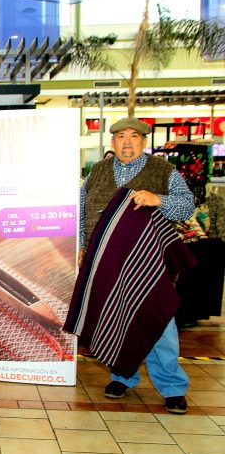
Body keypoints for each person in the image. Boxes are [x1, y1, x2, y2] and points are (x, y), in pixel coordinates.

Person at [80, 117, 195, 414]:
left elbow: (186, 206)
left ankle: (171, 386)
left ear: (144, 141)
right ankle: (122, 377)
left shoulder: (163, 171)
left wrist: (159, 199)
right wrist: (82, 245)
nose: (127, 142)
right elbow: (82, 211)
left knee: (159, 322)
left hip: (149, 265)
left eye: (134, 136)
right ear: (113, 142)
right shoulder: (98, 171)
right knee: (115, 320)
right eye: (120, 136)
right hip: (106, 263)